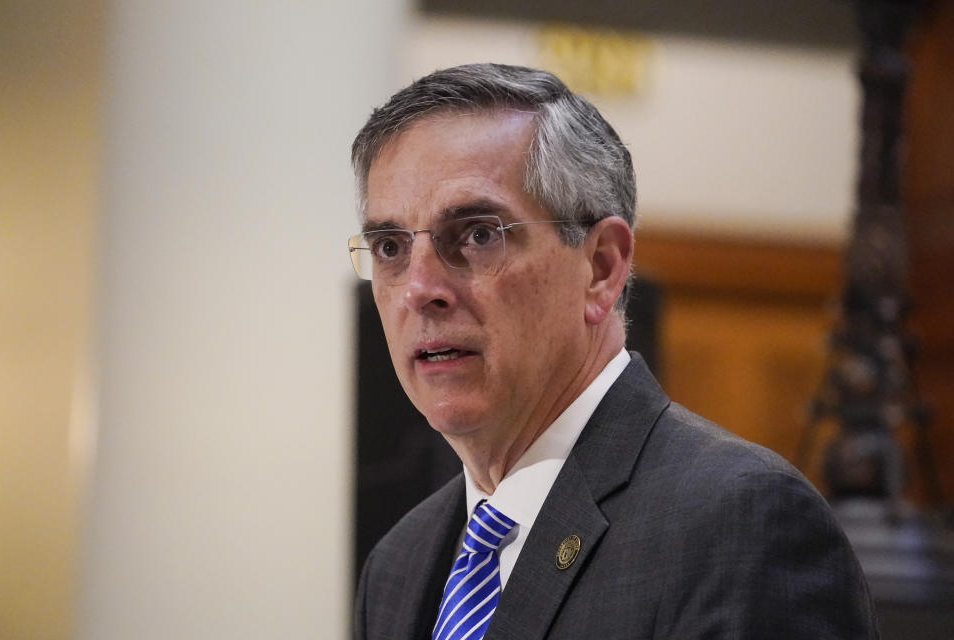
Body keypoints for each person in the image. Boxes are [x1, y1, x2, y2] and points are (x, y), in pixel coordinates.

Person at [348, 63, 879, 640]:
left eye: (477, 234)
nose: (420, 288)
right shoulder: (398, 565)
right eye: (391, 246)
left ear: (601, 267)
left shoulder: (742, 523)